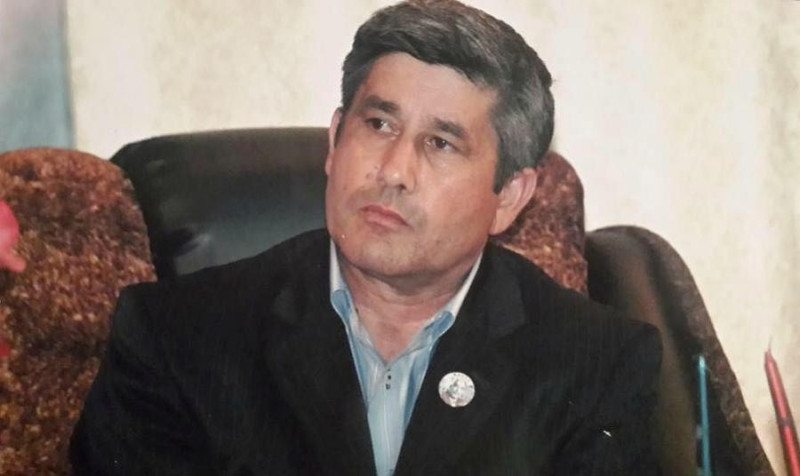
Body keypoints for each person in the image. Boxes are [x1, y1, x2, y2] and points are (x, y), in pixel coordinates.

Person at [70, 1, 662, 474]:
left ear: (508, 195)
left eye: (441, 143)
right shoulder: (177, 338)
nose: (394, 170)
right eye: (378, 124)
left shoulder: (595, 363)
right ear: (335, 142)